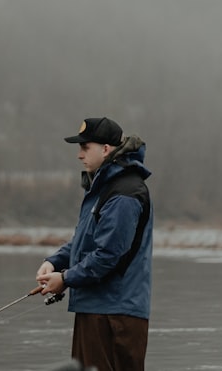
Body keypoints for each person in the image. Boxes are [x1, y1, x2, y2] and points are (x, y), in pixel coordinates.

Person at [35, 116, 152, 371]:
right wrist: (53, 261)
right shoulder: (103, 189)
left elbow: (107, 256)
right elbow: (83, 242)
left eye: (85, 147)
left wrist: (64, 279)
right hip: (97, 309)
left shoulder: (124, 194)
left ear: (106, 149)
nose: (79, 155)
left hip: (115, 314)